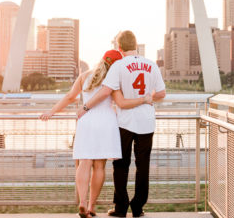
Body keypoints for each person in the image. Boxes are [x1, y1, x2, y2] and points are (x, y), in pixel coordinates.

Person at [40, 49, 152, 218]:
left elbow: (70, 97)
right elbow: (121, 101)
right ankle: (92, 206)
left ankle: (82, 202)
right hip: (107, 122)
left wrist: (51, 111)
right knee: (99, 166)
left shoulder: (84, 76)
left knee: (84, 162)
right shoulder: (114, 79)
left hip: (86, 121)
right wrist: (144, 100)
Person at [77, 31, 166, 218]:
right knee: (143, 166)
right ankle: (138, 207)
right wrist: (147, 98)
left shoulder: (119, 65)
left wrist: (85, 108)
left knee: (121, 165)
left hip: (125, 122)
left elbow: (105, 91)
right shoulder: (151, 64)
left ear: (119, 48)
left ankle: (120, 208)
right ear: (136, 44)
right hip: (146, 122)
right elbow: (161, 94)